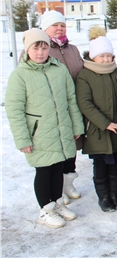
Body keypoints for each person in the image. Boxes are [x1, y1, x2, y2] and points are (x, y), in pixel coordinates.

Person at [5, 28, 83, 228]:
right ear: (27, 49)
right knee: (44, 170)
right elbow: (15, 110)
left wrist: (76, 126)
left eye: (44, 47)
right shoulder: (20, 75)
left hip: (61, 130)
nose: (40, 52)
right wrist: (23, 139)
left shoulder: (59, 69)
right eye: (35, 48)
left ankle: (57, 203)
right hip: (39, 134)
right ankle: (45, 210)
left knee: (58, 168)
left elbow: (71, 100)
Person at [20, 11, 85, 205]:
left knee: (71, 149)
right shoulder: (38, 50)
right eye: (55, 25)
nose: (59, 28)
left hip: (71, 106)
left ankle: (67, 184)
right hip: (48, 111)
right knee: (54, 155)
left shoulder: (72, 49)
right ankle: (56, 192)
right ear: (45, 28)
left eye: (62, 25)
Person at [76, 26, 117, 212]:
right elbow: (85, 103)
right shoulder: (85, 75)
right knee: (100, 165)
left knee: (114, 164)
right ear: (93, 56)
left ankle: (115, 194)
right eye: (102, 56)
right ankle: (104, 196)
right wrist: (105, 123)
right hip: (96, 131)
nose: (106, 59)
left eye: (109, 55)